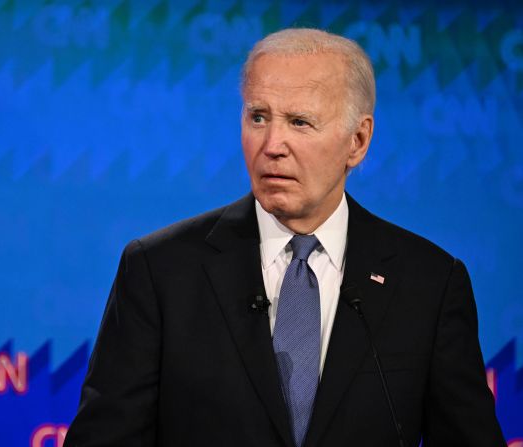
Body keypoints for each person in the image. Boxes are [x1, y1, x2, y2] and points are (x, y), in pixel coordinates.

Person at [64, 28, 505, 447]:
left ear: (358, 140)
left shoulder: (428, 283)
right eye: (259, 117)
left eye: (299, 122)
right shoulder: (160, 270)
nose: (272, 143)